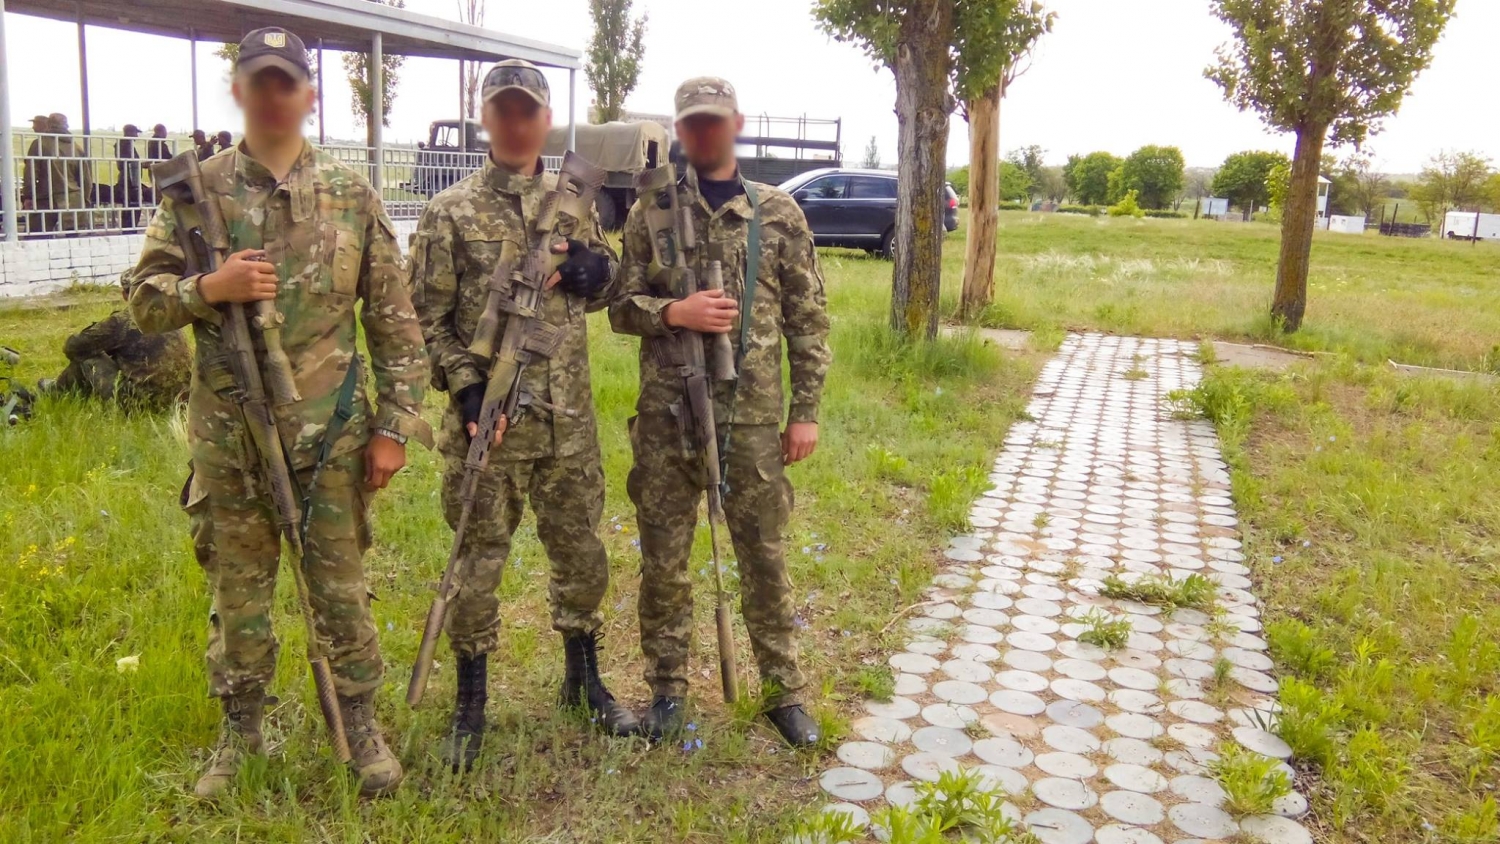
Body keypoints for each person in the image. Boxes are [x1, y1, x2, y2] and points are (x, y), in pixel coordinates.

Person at [128, 26, 433, 800]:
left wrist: (395, 427)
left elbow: (395, 324)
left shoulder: (352, 196)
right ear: (238, 91)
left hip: (331, 437)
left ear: (308, 95)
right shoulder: (194, 193)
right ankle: (241, 733)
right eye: (258, 81)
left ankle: (358, 723)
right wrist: (209, 289)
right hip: (229, 438)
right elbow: (143, 302)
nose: (272, 95)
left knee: (340, 587)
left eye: (285, 82)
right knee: (239, 595)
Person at [412, 58, 637, 770]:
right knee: (476, 566)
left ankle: (583, 681)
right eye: (503, 110)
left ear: (545, 119)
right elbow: (423, 319)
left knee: (582, 556)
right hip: (490, 425)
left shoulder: (575, 200)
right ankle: (471, 702)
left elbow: (609, 282)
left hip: (567, 424)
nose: (516, 123)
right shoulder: (450, 212)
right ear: (485, 118)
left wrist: (593, 270)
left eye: (528, 111)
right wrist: (464, 388)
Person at [610, 77, 831, 746]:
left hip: (752, 417)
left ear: (735, 123)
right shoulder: (650, 211)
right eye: (692, 123)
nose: (704, 132)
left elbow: (809, 318)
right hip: (667, 416)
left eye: (714, 120)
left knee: (763, 555)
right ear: (680, 130)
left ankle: (784, 692)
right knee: (665, 561)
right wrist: (673, 312)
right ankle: (668, 691)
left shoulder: (777, 213)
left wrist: (805, 411)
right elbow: (619, 306)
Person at [44, 270, 189, 409]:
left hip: (142, 403)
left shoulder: (122, 321)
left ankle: (55, 392)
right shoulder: (169, 313)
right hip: (181, 398)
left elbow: (73, 346)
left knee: (88, 357)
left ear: (125, 295)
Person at [48, 114, 93, 231]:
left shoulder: (41, 144)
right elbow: (85, 178)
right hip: (73, 197)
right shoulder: (76, 148)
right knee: (73, 234)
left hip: (45, 197)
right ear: (66, 125)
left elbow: (31, 173)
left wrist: (28, 195)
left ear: (49, 124)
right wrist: (85, 198)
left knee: (38, 234)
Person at [114, 124, 151, 229]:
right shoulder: (125, 145)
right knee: (132, 205)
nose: (136, 136)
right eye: (135, 133)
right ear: (129, 132)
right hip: (129, 181)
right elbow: (128, 164)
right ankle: (129, 229)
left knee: (130, 205)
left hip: (129, 180)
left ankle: (129, 228)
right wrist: (141, 165)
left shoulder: (125, 144)